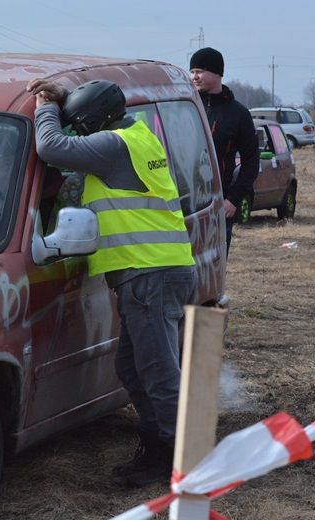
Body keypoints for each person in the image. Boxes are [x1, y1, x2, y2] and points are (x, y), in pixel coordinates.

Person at [27, 77, 197, 487]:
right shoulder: (136, 138)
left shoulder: (112, 145)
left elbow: (50, 147)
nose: (79, 133)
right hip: (156, 270)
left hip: (149, 273)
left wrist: (47, 106)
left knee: (158, 371)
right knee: (134, 367)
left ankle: (182, 462)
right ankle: (159, 447)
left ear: (94, 120)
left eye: (80, 124)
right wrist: (66, 97)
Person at [189, 47, 259, 253]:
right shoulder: (185, 107)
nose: (194, 76)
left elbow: (251, 161)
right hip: (184, 203)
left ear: (217, 73)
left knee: (213, 267)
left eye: (199, 71)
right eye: (191, 71)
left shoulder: (238, 114)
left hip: (218, 207)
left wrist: (233, 200)